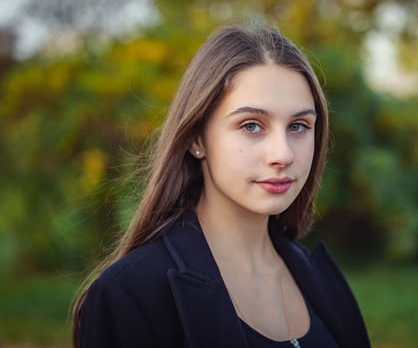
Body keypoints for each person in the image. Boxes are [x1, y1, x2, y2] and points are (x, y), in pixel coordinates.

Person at [72, 23, 370, 348]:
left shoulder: (323, 281)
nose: (282, 154)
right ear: (197, 138)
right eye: (252, 125)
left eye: (299, 126)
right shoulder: (130, 294)